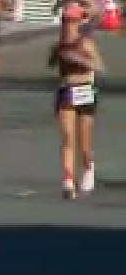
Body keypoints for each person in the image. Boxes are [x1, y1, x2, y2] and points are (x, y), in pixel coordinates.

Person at [48, 11, 105, 199]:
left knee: (84, 141)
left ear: (78, 24)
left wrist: (79, 59)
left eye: (71, 21)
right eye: (65, 21)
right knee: (67, 137)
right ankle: (68, 181)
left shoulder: (85, 43)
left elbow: (99, 67)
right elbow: (51, 63)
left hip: (85, 90)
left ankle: (88, 165)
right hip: (66, 90)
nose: (67, 25)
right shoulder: (60, 44)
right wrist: (57, 54)